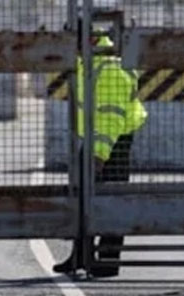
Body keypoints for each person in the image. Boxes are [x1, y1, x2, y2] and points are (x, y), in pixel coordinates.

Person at [52, 26, 147, 279]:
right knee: (83, 195)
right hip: (98, 140)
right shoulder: (89, 65)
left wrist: (99, 155)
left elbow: (111, 118)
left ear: (89, 39)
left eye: (73, 40)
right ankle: (80, 256)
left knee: (112, 199)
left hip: (112, 142)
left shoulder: (109, 68)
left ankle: (106, 261)